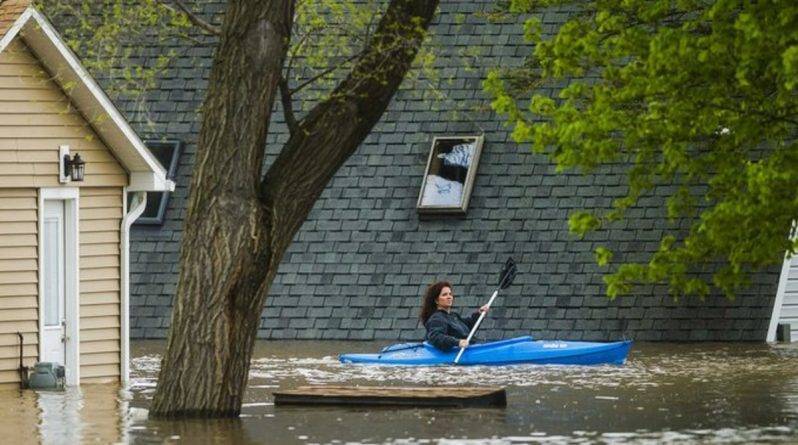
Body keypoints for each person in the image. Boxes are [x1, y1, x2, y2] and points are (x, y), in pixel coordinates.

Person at [419, 281, 489, 351]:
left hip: (470, 349)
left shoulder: (454, 316)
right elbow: (436, 336)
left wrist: (479, 314)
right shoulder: (436, 319)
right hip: (455, 354)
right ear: (437, 300)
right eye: (444, 295)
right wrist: (458, 342)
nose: (449, 297)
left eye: (450, 294)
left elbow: (467, 328)